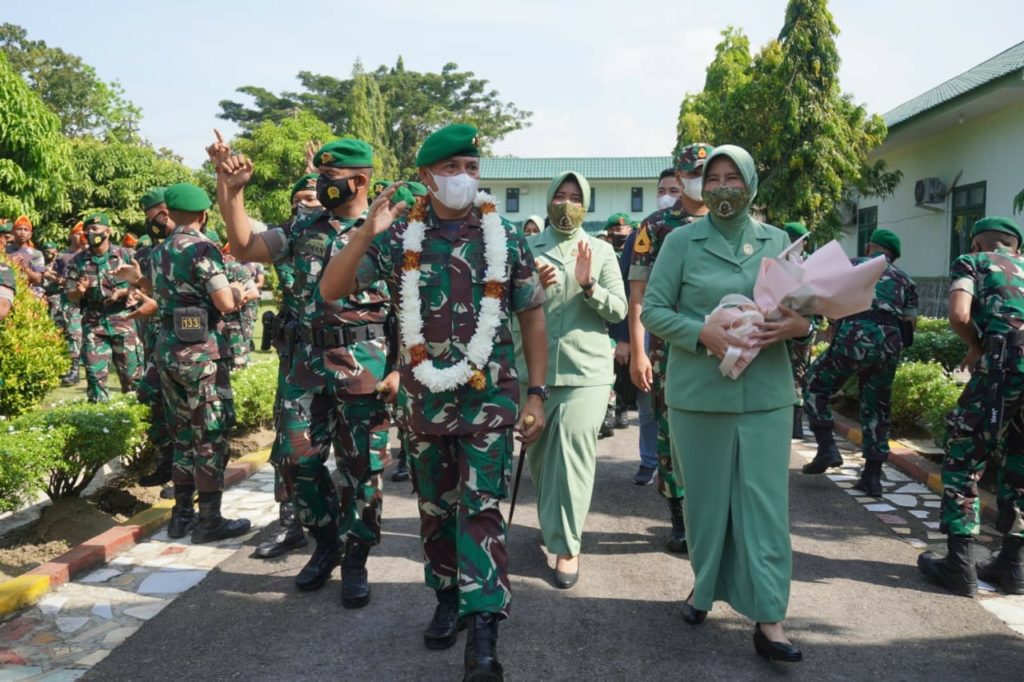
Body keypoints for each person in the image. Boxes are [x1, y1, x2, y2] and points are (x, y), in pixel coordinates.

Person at [318, 123, 547, 681]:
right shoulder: (400, 239)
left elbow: (531, 315)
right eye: (452, 169)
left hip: (489, 402)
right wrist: (365, 234)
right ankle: (447, 596)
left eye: (472, 167)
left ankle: (485, 635)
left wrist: (538, 393)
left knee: (482, 512)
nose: (464, 178)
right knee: (436, 513)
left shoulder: (505, 235)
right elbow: (331, 290)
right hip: (423, 405)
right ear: (426, 177)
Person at [642, 144, 807, 662]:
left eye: (732, 178)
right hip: (699, 394)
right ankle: (703, 587)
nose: (720, 188)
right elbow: (653, 311)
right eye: (712, 179)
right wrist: (700, 334)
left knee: (764, 506)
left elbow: (806, 311)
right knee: (707, 502)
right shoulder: (681, 242)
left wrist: (800, 325)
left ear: (751, 183)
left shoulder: (778, 241)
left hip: (764, 396)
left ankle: (770, 617)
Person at [217, 137, 396, 609]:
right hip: (304, 365)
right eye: (319, 175)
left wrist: (400, 369)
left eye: (330, 178)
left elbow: (411, 308)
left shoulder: (390, 231)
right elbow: (243, 245)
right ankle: (325, 543)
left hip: (365, 365)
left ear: (359, 181)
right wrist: (231, 191)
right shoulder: (303, 227)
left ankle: (356, 558)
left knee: (363, 469)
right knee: (298, 462)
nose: (320, 184)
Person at [516, 171, 626, 588]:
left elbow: (616, 310)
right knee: (543, 462)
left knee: (575, 454)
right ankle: (554, 527)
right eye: (559, 196)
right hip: (535, 374)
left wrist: (589, 285)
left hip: (587, 372)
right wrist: (530, 291)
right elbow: (502, 310)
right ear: (547, 200)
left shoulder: (598, 250)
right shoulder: (525, 248)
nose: (566, 203)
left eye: (575, 197)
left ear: (587, 203)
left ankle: (567, 547)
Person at [919, 216, 1024, 597]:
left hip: (1000, 371)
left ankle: (959, 565)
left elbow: (959, 314)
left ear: (977, 244)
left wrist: (979, 345)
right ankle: (1012, 566)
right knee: (1021, 465)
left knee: (965, 454)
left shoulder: (973, 262)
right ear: (1017, 248)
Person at [140, 182, 251, 544]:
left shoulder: (157, 252)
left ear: (168, 214)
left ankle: (181, 516)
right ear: (204, 215)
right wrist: (243, 293)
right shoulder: (204, 248)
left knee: (183, 435)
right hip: (201, 352)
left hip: (168, 349)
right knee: (210, 436)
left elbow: (157, 295)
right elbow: (223, 301)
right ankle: (209, 521)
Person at [629, 143, 713, 553]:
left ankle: (712, 512)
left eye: (708, 171)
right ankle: (679, 515)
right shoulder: (658, 225)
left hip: (722, 345)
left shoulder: (730, 221)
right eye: (693, 172)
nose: (701, 179)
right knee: (671, 431)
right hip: (668, 350)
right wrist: (640, 350)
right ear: (678, 178)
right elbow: (639, 293)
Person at [801, 228, 918, 496]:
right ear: (894, 257)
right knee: (877, 407)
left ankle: (827, 448)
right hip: (889, 343)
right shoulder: (906, 280)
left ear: (869, 248)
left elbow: (826, 297)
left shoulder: (853, 264)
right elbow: (910, 324)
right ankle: (872, 477)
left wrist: (835, 325)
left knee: (814, 385)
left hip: (853, 335)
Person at [256, 172, 320, 560]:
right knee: (289, 442)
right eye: (300, 199)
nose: (306, 204)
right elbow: (250, 241)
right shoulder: (287, 239)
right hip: (296, 356)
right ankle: (290, 524)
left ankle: (345, 532)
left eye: (314, 198)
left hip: (344, 357)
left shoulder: (345, 235)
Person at [65, 213, 143, 402]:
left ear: (107, 232)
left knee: (132, 377)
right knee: (94, 376)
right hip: (94, 324)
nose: (90, 233)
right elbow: (71, 295)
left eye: (95, 229)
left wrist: (123, 293)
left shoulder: (125, 255)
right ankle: (100, 424)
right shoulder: (78, 261)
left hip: (123, 320)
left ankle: (137, 421)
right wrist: (79, 290)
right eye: (87, 230)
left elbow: (140, 284)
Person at [131, 188, 177, 491]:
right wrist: (135, 284)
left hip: (188, 339)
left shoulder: (195, 246)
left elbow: (197, 298)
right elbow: (152, 287)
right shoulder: (147, 251)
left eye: (160, 214)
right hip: (156, 338)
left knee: (187, 408)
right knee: (151, 395)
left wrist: (157, 304)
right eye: (151, 218)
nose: (156, 222)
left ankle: (189, 475)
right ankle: (168, 458)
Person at [781, 222, 817, 439]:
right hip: (799, 327)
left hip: (795, 326)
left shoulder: (807, 262)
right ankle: (794, 420)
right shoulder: (809, 261)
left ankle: (793, 420)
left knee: (793, 370)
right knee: (798, 371)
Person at [58, 223, 88, 385]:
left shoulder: (91, 259)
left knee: (80, 336)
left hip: (89, 304)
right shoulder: (68, 258)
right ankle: (73, 370)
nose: (81, 238)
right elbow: (59, 279)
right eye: (77, 234)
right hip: (71, 302)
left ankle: (79, 370)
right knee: (71, 335)